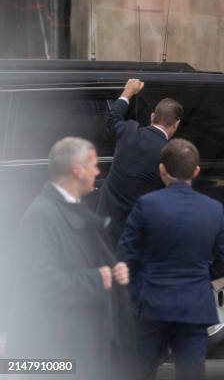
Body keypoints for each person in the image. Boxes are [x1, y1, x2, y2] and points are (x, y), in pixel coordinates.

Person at [8, 137, 130, 380]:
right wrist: (98, 278)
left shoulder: (75, 208)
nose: (98, 171)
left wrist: (114, 269)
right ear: (78, 170)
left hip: (82, 346)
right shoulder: (42, 216)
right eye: (94, 165)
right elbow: (40, 282)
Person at [118, 138, 224, 380]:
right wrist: (204, 274)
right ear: (196, 171)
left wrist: (140, 283)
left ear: (162, 170)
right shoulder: (212, 209)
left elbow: (126, 254)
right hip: (194, 305)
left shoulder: (146, 205)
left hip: (152, 302)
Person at [97, 78, 183, 246]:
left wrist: (128, 92)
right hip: (132, 233)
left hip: (103, 219)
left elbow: (113, 117)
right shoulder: (170, 156)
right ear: (176, 125)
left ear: (152, 117)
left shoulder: (129, 131)